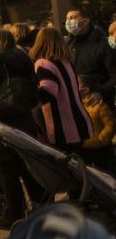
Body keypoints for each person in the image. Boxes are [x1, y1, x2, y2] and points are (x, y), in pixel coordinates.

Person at [0, 27, 44, 228]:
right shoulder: (24, 60)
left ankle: (14, 213)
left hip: (0, 125)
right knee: (28, 167)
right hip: (24, 121)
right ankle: (41, 206)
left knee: (7, 171)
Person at [30, 26, 93, 159]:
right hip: (79, 121)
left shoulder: (43, 64)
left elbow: (48, 92)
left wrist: (30, 96)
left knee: (68, 171)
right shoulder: (66, 62)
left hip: (62, 128)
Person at [66, 4, 115, 104]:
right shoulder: (68, 45)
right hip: (76, 102)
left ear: (85, 21)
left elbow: (114, 74)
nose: (68, 21)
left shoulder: (102, 44)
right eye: (67, 18)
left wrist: (100, 92)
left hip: (99, 103)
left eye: (73, 18)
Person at [79, 76, 115, 172]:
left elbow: (110, 125)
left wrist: (101, 140)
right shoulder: (76, 106)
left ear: (84, 90)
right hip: (84, 147)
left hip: (101, 149)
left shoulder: (100, 106)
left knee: (104, 172)